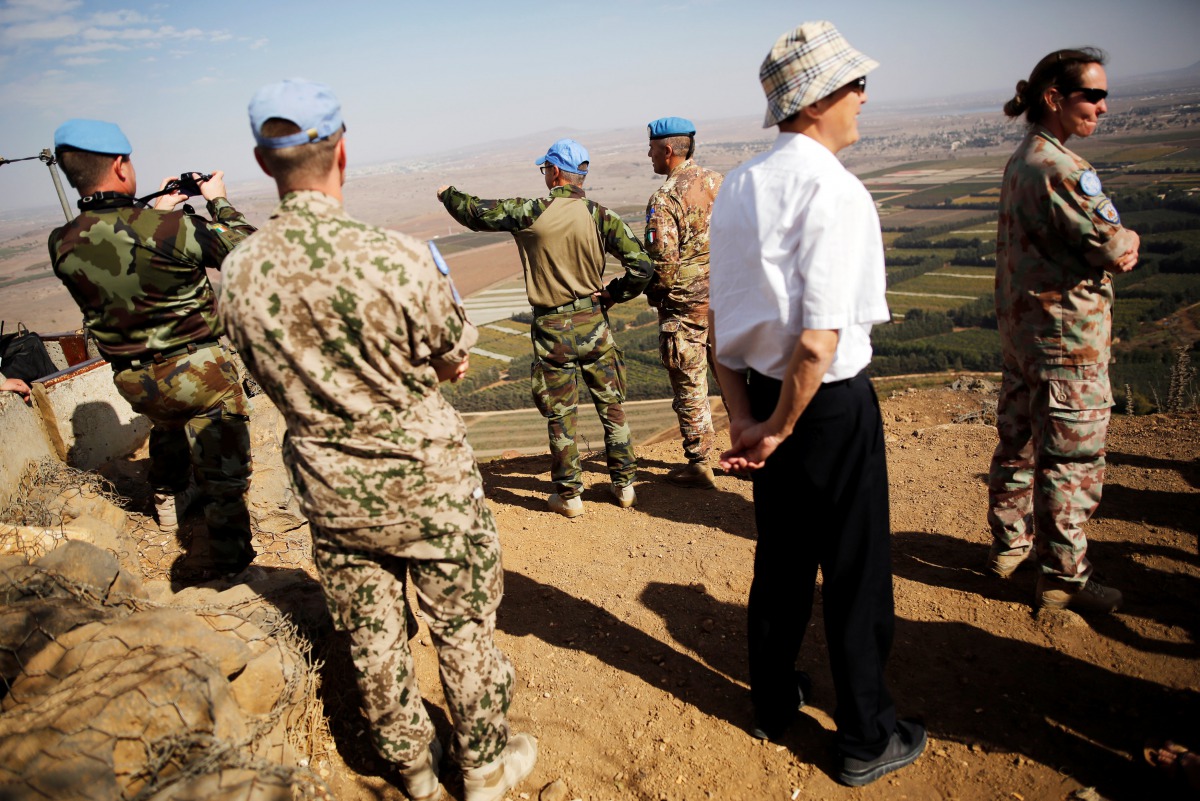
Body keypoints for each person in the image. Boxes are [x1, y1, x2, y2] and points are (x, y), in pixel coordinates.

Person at [219, 79, 536, 801]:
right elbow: (453, 357)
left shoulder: (238, 274)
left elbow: (263, 374)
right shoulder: (397, 257)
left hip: (332, 492)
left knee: (374, 636)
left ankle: (414, 770)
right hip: (429, 484)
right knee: (462, 627)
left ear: (264, 165)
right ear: (342, 152)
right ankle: (483, 767)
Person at [709, 22, 925, 787]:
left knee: (783, 558)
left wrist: (746, 417)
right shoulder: (835, 191)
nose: (864, 97)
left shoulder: (739, 184)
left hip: (767, 397)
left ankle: (772, 702)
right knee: (857, 570)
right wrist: (782, 428)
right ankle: (867, 735)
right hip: (823, 408)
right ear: (817, 100)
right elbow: (817, 345)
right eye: (855, 84)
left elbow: (722, 328)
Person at [48, 119, 256, 571]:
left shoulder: (60, 242)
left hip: (133, 380)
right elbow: (252, 254)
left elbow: (121, 249)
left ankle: (166, 497)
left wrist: (153, 210)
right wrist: (217, 199)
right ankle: (231, 560)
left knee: (167, 421)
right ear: (121, 166)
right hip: (198, 373)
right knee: (223, 468)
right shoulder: (171, 228)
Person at [986, 48, 1139, 614]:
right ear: (1055, 98)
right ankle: (1062, 581)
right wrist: (1134, 241)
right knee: (1072, 465)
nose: (1103, 105)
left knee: (1019, 450)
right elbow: (1116, 248)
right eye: (1092, 95)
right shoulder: (1064, 169)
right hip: (1066, 345)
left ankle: (1010, 548)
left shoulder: (1023, 159)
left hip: (1024, 340)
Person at [438, 140, 653, 517]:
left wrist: (446, 194)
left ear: (554, 171)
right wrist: (613, 294)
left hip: (552, 327)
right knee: (611, 404)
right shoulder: (600, 215)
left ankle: (569, 495)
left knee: (560, 413)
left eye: (545, 170)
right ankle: (625, 486)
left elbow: (476, 213)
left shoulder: (531, 212)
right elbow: (642, 267)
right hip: (593, 321)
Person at [642, 117, 724, 489]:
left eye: (652, 149)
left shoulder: (665, 198)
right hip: (725, 300)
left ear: (668, 150)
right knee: (735, 376)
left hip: (685, 307)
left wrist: (655, 294)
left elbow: (663, 264)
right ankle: (755, 453)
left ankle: (699, 462)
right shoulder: (718, 182)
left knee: (691, 384)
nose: (649, 155)